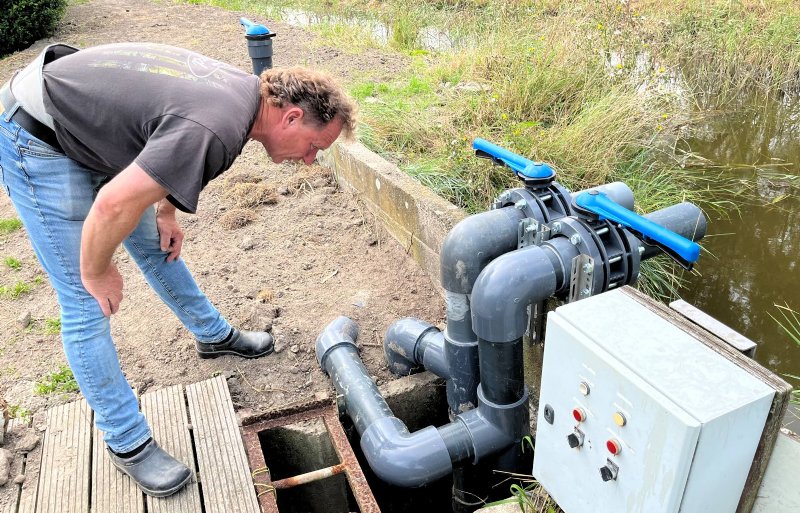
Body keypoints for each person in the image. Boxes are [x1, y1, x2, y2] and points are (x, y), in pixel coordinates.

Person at [0, 42, 356, 497]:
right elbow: (112, 205)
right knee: (85, 302)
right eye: (313, 147)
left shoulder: (244, 103)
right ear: (289, 117)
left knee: (156, 245)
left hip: (93, 125)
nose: (309, 160)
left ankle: (212, 335)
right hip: (39, 134)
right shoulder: (219, 125)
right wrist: (97, 270)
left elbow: (167, 144)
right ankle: (126, 442)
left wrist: (166, 214)